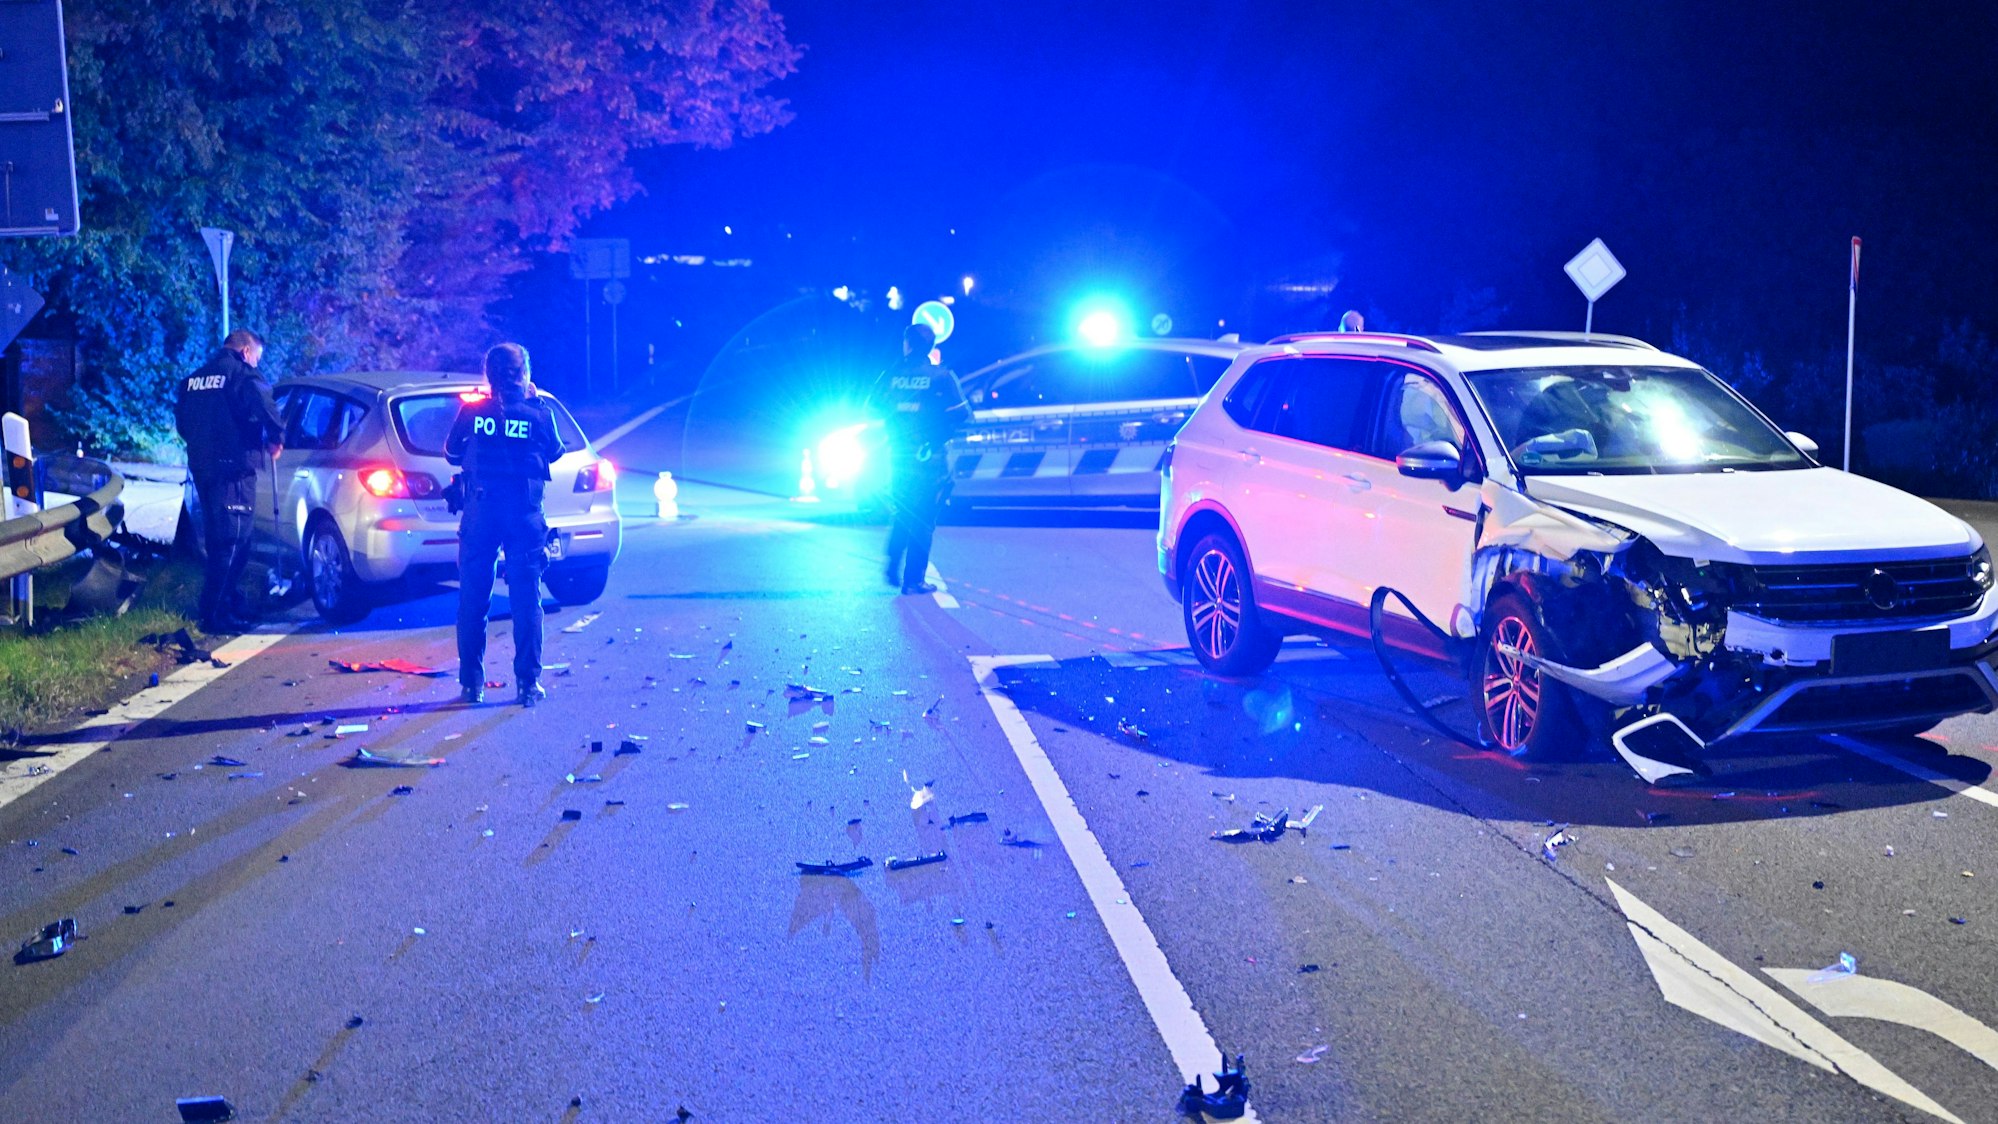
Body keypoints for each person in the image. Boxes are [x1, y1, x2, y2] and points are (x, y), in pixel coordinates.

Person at [445, 343, 565, 707]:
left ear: (489, 375)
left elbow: (451, 452)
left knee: (473, 599)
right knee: (526, 600)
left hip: (480, 513)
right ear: (524, 374)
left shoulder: (473, 412)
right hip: (524, 516)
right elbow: (555, 453)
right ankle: (528, 684)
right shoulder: (539, 414)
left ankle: (471, 685)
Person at [174, 329, 283, 634]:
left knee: (219, 539)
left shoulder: (193, 380)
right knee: (234, 543)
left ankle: (230, 604)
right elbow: (265, 406)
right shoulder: (242, 375)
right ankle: (214, 614)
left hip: (203, 469)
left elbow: (182, 424)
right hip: (233, 470)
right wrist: (276, 437)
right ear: (247, 351)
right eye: (257, 357)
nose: (256, 362)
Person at [869, 322, 967, 594]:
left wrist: (898, 422)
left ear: (907, 344)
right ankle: (913, 581)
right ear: (931, 346)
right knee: (924, 518)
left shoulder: (891, 375)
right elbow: (962, 413)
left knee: (903, 511)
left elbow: (872, 406)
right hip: (930, 455)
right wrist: (936, 429)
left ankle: (891, 564)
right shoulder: (941, 376)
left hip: (898, 454)